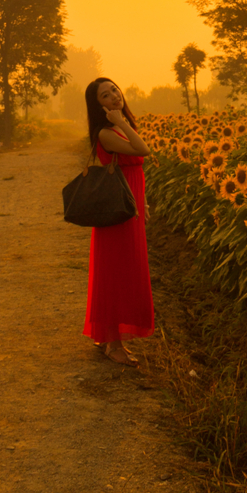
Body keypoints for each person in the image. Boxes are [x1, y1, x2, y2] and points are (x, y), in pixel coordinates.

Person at [82, 77, 155, 366]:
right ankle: (114, 345)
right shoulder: (106, 133)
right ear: (98, 105)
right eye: (105, 95)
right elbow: (143, 151)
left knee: (122, 269)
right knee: (118, 273)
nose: (114, 96)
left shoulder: (116, 129)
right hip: (119, 211)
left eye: (114, 89)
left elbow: (136, 168)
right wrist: (122, 121)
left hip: (130, 205)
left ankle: (108, 337)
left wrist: (144, 201)